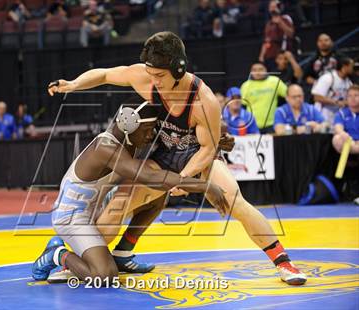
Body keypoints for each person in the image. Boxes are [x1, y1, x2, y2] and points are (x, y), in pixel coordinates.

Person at [47, 31, 307, 285]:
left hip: (195, 155)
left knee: (234, 202)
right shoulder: (147, 78)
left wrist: (184, 178)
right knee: (118, 206)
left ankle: (282, 261)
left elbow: (208, 149)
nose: (154, 80)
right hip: (161, 156)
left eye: (160, 75)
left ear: (179, 69)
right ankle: (93, 260)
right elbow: (104, 74)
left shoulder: (203, 101)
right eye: (151, 74)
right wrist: (73, 85)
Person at [32, 101, 229, 282]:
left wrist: (212, 143)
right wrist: (204, 186)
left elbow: (177, 147)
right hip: (72, 216)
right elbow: (149, 177)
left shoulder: (132, 139)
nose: (151, 135)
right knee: (104, 276)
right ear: (128, 125)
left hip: (95, 202)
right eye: (147, 130)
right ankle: (57, 254)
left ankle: (122, 253)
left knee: (157, 196)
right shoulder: (105, 148)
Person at [241, 61, 287, 133]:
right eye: (254, 70)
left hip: (272, 124)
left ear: (266, 70)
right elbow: (242, 106)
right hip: (252, 125)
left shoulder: (275, 81)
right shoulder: (245, 85)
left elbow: (289, 95)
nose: (258, 72)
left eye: (260, 69)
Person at [312, 56, 354, 124]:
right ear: (344, 67)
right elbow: (316, 97)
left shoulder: (348, 82)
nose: (352, 69)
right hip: (322, 115)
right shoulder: (328, 78)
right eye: (351, 66)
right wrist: (337, 102)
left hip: (337, 117)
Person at [259, 0, 295, 71]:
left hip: (282, 53)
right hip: (270, 55)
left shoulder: (285, 18)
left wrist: (280, 22)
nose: (273, 8)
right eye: (271, 6)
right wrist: (261, 55)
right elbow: (266, 41)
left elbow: (291, 34)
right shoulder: (268, 24)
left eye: (275, 6)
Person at [332, 85, 359, 154]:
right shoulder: (341, 113)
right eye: (349, 96)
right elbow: (338, 127)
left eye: (356, 95)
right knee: (337, 138)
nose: (352, 98)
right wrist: (343, 134)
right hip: (349, 142)